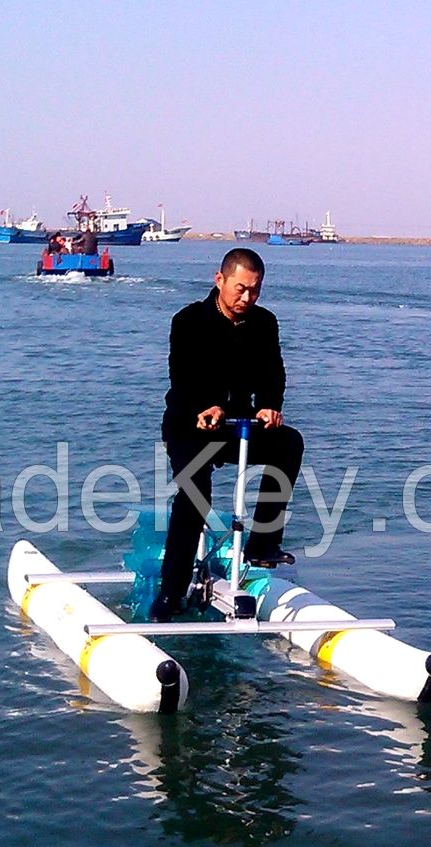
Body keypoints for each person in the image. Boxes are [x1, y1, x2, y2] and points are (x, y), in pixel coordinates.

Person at [150, 248, 304, 622]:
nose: (247, 298)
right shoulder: (188, 321)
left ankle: (262, 543)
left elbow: (273, 373)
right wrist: (205, 407)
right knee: (195, 496)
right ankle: (170, 592)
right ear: (219, 280)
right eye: (240, 289)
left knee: (289, 443)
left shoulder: (264, 323)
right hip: (191, 425)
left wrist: (269, 404)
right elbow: (182, 376)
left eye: (254, 291)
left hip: (240, 425)